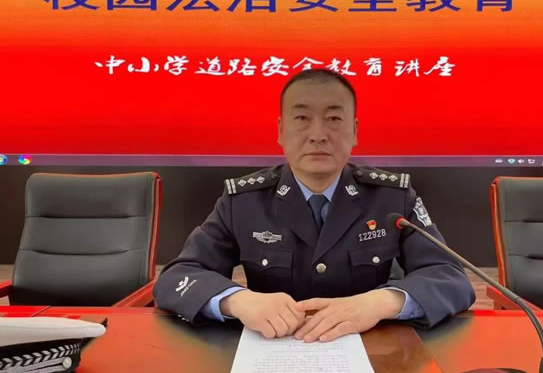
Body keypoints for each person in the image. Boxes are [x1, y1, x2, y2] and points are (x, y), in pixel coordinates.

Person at [153, 69, 474, 343]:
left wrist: (381, 302)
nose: (318, 135)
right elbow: (178, 278)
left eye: (333, 119)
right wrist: (237, 301)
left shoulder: (392, 198)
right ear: (281, 131)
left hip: (372, 351)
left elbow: (450, 278)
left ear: (354, 132)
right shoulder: (243, 201)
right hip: (272, 350)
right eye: (302, 118)